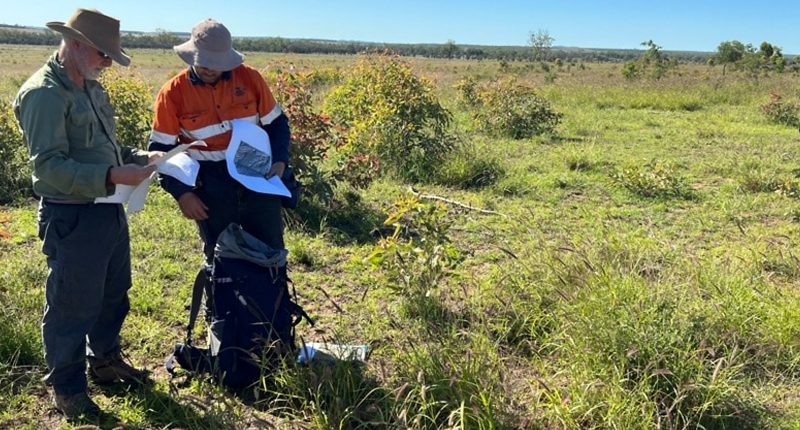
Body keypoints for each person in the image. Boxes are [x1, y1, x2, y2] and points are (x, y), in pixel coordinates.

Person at [13, 8, 158, 419]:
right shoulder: (44, 93)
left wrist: (143, 158)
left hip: (109, 209)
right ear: (75, 44)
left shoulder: (91, 88)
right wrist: (115, 173)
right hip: (72, 216)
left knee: (114, 293)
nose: (108, 62)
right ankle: (69, 388)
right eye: (103, 54)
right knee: (72, 305)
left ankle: (106, 363)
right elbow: (50, 169)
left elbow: (105, 149)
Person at [148, 19, 291, 261]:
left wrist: (279, 162)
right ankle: (220, 300)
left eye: (217, 63)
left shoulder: (250, 79)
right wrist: (182, 193)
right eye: (204, 62)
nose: (210, 69)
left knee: (271, 250)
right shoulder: (172, 93)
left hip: (258, 175)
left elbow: (277, 125)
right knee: (220, 256)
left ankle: (273, 298)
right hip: (211, 183)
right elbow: (162, 151)